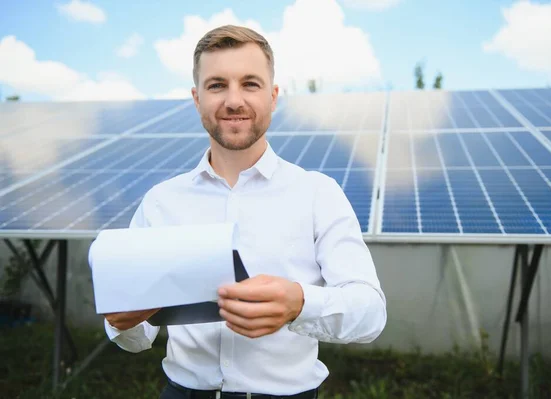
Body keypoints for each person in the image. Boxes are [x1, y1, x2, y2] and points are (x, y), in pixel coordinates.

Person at [103, 25, 387, 399]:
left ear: (273, 96)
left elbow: (369, 313)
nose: (233, 100)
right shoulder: (160, 202)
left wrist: (300, 303)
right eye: (217, 85)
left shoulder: (318, 193)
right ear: (196, 98)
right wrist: (122, 322)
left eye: (250, 84)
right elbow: (137, 339)